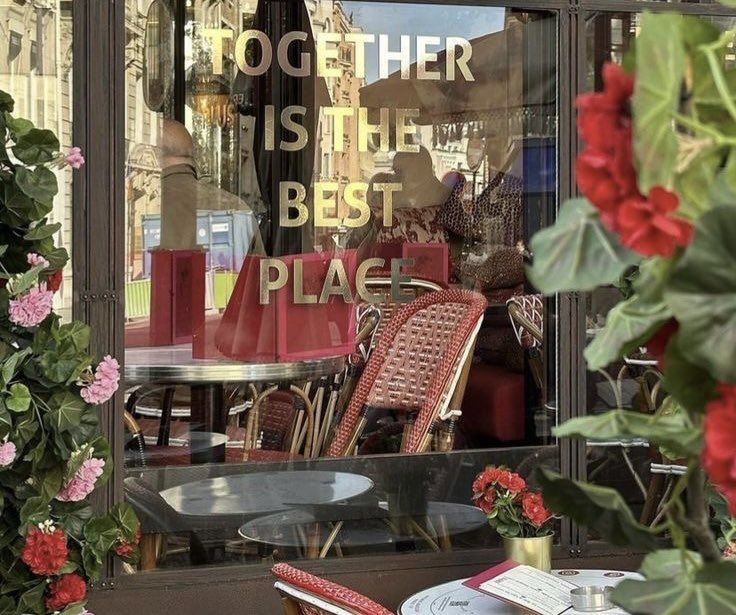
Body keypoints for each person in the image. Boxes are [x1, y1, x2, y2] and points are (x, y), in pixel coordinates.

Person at [158, 119, 265, 255]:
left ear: (155, 153)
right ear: (193, 155)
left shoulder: (147, 203)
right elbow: (261, 272)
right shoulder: (238, 208)